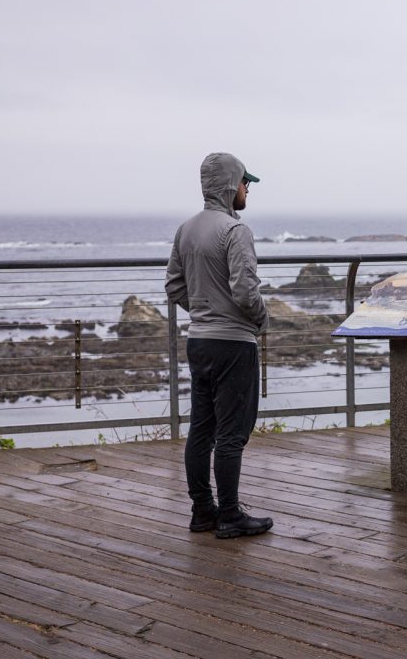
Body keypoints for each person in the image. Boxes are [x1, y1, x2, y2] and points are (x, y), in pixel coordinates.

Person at [165, 152, 273, 539]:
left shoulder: (186, 229)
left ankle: (202, 512)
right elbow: (246, 289)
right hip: (234, 345)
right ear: (232, 185)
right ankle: (230, 514)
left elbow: (174, 287)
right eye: (246, 183)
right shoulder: (234, 230)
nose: (248, 190)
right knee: (232, 432)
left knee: (201, 429)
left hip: (199, 341)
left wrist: (204, 311)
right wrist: (261, 319)